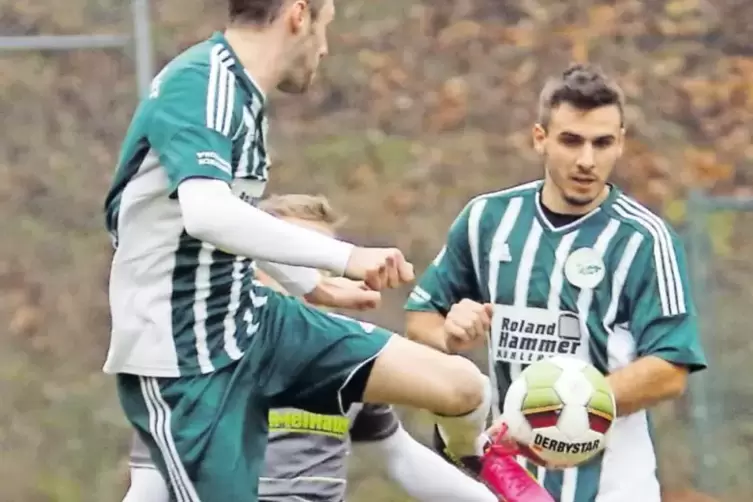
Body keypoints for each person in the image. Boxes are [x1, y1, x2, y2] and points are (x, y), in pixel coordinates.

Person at [103, 1, 493, 500]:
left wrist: (306, 283)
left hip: (256, 320)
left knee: (463, 388)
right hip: (187, 361)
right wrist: (343, 257)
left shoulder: (240, 93)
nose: (325, 47)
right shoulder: (201, 85)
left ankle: (481, 457)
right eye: (325, 27)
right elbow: (207, 214)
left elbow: (221, 220)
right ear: (298, 13)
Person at [404, 63, 708, 502]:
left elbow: (670, 370)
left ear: (620, 144)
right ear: (540, 138)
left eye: (602, 143)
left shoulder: (645, 239)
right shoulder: (488, 220)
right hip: (505, 480)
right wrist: (449, 333)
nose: (587, 159)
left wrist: (559, 414)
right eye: (571, 140)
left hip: (613, 486)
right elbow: (421, 317)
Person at [121, 194, 497, 502]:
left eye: (323, 268)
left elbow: (399, 457)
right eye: (294, 262)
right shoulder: (201, 356)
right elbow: (149, 487)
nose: (311, 281)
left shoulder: (352, 363)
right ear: (250, 267)